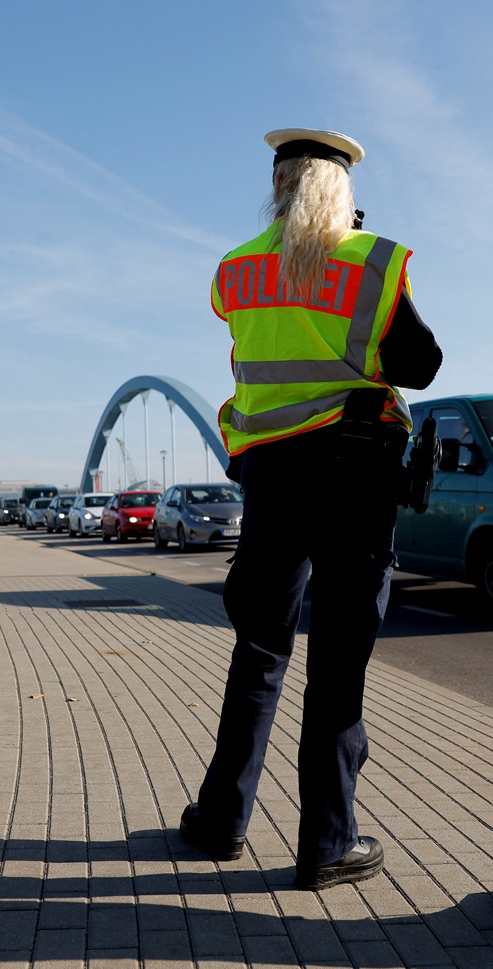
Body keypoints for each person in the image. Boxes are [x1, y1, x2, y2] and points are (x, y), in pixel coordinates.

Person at [179, 127, 442, 890]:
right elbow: (420, 364)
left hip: (272, 475)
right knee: (337, 661)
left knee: (259, 649)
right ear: (344, 193)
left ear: (278, 184)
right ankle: (328, 841)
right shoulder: (371, 262)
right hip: (355, 473)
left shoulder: (237, 270)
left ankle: (222, 819)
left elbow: (252, 353)